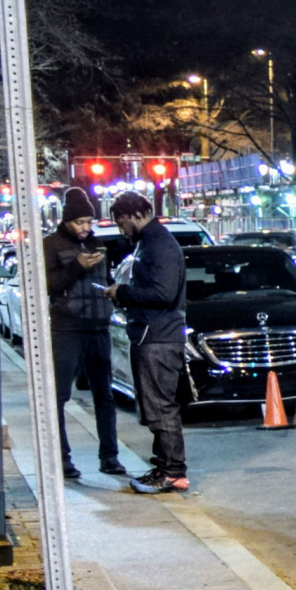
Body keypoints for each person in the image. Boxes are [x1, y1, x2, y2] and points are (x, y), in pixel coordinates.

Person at [39, 187, 124, 480]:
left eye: (89, 222)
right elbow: (47, 285)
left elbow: (107, 279)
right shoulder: (50, 245)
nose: (86, 228)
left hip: (98, 327)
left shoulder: (98, 244)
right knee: (60, 396)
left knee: (105, 396)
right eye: (80, 222)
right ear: (66, 221)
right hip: (67, 329)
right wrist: (77, 266)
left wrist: (113, 293)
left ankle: (110, 457)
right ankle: (62, 460)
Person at [108, 191, 189, 493]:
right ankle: (164, 467)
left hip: (157, 336)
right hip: (151, 334)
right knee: (154, 405)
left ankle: (172, 472)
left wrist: (122, 293)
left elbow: (162, 294)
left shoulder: (158, 245)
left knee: (160, 406)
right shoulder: (149, 244)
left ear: (135, 215)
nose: (120, 229)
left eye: (121, 222)